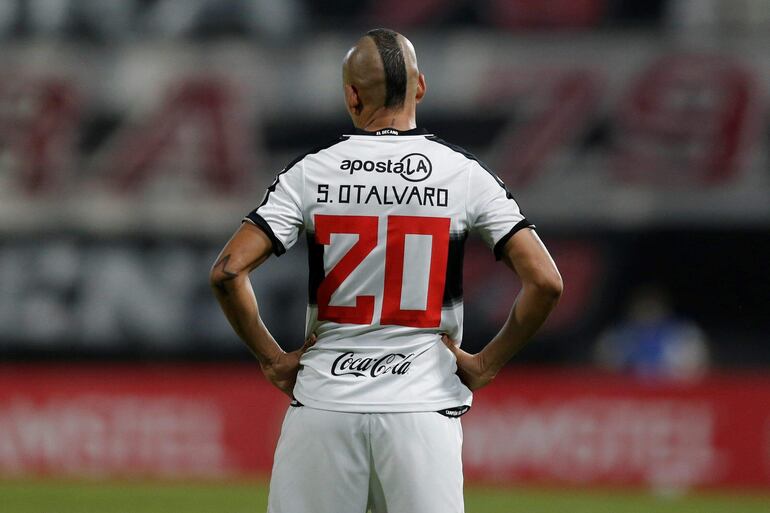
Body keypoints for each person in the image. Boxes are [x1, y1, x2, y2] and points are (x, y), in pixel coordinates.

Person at [210, 28, 562, 513]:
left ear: (352, 96)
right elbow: (545, 282)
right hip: (422, 407)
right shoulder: (463, 173)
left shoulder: (312, 171)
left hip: (325, 403)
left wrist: (271, 359)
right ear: (420, 87)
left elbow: (228, 271)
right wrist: (487, 362)